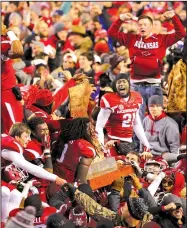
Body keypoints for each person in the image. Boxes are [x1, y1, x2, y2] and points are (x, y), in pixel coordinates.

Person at [108, 10, 186, 121]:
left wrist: (173, 17)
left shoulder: (161, 39)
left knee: (157, 118)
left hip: (154, 85)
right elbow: (111, 33)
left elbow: (181, 33)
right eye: (140, 25)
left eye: (145, 24)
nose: (142, 27)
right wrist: (120, 19)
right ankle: (137, 139)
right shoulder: (131, 39)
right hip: (136, 86)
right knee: (137, 120)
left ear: (151, 27)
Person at [96, 73, 151, 159]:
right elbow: (99, 126)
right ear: (115, 85)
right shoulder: (109, 99)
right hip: (112, 142)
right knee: (115, 167)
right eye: (119, 82)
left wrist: (146, 143)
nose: (121, 84)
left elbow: (136, 124)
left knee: (132, 167)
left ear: (129, 83)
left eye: (123, 81)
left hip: (128, 143)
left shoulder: (137, 97)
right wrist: (101, 146)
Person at [1, 122, 67, 186]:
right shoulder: (15, 147)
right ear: (17, 137)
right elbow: (30, 168)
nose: (46, 133)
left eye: (47, 129)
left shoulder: (14, 143)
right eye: (26, 136)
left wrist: (29, 185)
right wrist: (55, 178)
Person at [48, 118, 96, 197]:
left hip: (52, 182)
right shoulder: (85, 147)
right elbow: (81, 182)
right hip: (65, 188)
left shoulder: (63, 139)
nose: (93, 131)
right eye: (90, 128)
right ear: (83, 129)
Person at [1, 22, 24, 133]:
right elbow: (17, 50)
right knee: (14, 130)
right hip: (6, 93)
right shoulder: (3, 41)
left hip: (8, 90)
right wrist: (10, 33)